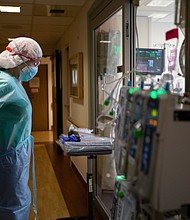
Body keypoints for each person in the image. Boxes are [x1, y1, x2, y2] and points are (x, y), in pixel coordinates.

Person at [0, 37, 42, 220]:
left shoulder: (13, 81)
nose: (35, 68)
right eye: (34, 63)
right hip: (7, 157)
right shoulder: (5, 83)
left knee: (15, 203)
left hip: (15, 155)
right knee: (11, 208)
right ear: (21, 60)